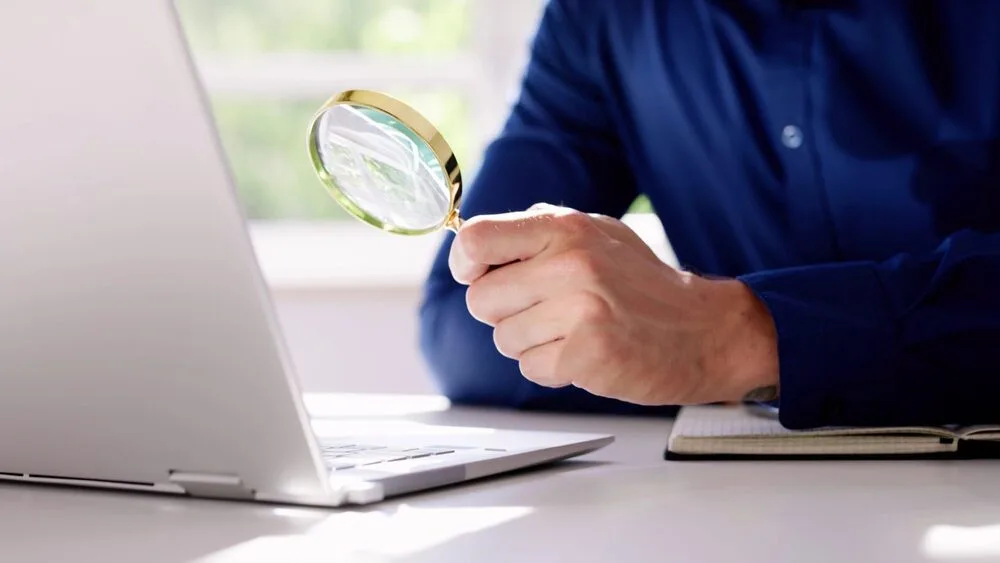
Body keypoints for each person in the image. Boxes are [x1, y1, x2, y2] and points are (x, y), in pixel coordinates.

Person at [417, 0, 1000, 430]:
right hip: (743, 514)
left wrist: (739, 341)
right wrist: (687, 358)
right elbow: (461, 323)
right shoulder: (603, 19)